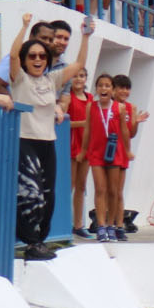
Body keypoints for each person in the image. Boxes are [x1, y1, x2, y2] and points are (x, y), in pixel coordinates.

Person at [8, 12, 92, 260]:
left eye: (42, 56)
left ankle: (40, 241)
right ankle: (30, 242)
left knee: (48, 194)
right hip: (25, 140)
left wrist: (86, 36)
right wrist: (23, 27)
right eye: (32, 56)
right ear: (25, 60)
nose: (37, 59)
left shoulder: (52, 79)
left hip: (48, 142)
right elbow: (13, 55)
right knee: (29, 193)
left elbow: (78, 66)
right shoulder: (20, 79)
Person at [83, 72, 131, 242]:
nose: (104, 88)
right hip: (96, 153)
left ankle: (111, 225)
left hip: (114, 153)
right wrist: (83, 150)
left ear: (112, 90)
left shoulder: (119, 108)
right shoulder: (91, 107)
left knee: (113, 191)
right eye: (100, 85)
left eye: (107, 86)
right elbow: (87, 129)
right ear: (96, 89)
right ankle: (101, 226)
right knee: (100, 189)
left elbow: (125, 131)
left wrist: (127, 150)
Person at [109, 73, 149, 240]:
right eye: (121, 88)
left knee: (118, 191)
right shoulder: (108, 106)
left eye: (127, 88)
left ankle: (119, 225)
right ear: (113, 89)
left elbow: (131, 133)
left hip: (122, 150)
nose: (124, 91)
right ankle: (108, 224)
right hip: (108, 149)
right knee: (106, 190)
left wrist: (136, 121)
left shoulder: (130, 108)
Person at [60, 65, 92, 239]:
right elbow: (64, 121)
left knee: (81, 186)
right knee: (69, 185)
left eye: (82, 76)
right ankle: (64, 222)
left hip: (86, 146)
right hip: (72, 145)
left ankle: (78, 224)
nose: (79, 79)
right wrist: (82, 123)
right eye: (76, 76)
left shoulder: (90, 98)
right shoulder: (68, 98)